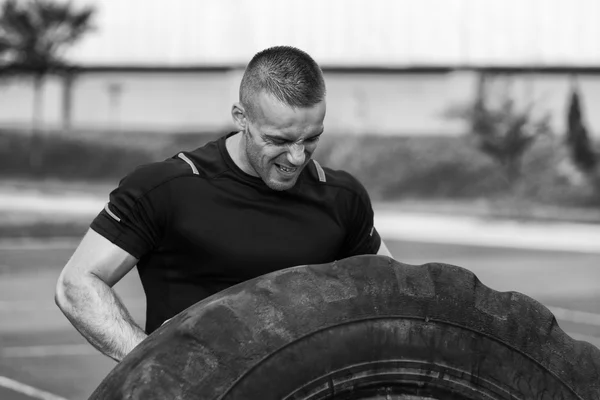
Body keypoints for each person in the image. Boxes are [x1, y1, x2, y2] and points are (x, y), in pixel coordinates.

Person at [55, 46, 394, 362]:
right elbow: (77, 284)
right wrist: (151, 363)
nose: (296, 156)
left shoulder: (341, 196)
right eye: (279, 140)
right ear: (241, 117)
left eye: (312, 138)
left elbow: (392, 295)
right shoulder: (166, 187)